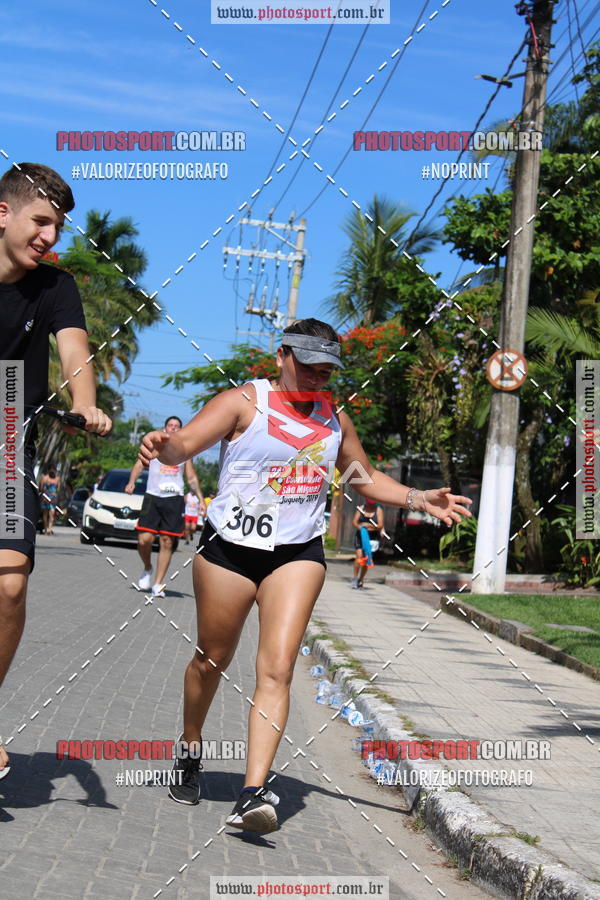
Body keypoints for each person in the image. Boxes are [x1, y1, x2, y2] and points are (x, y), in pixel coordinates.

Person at [135, 317, 473, 832]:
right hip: (229, 549)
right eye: (310, 367)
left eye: (328, 370)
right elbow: (186, 447)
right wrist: (164, 445)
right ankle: (190, 745)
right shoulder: (242, 402)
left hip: (296, 553)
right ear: (282, 357)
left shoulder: (333, 417)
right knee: (211, 659)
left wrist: (417, 497)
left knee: (277, 669)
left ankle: (252, 792)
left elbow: (361, 477)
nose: (320, 378)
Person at [0, 162, 113, 773]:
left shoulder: (55, 287)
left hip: (7, 430)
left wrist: (85, 401)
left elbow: (73, 348)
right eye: (41, 221)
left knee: (10, 584)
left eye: (57, 226)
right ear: (4, 214)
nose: (49, 236)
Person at [125, 416, 205, 598]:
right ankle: (147, 567)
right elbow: (139, 464)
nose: (173, 428)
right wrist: (132, 482)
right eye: (171, 425)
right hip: (153, 496)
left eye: (177, 426)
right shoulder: (154, 446)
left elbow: (191, 478)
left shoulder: (185, 451)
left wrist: (200, 499)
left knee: (167, 541)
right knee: (144, 539)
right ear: (165, 427)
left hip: (174, 498)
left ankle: (158, 583)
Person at [351, 498, 384, 589]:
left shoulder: (378, 510)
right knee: (359, 556)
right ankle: (355, 577)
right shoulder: (361, 508)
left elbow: (380, 525)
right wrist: (361, 528)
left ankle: (361, 579)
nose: (370, 505)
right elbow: (354, 522)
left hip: (372, 537)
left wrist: (368, 525)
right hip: (361, 535)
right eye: (369, 504)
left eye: (372, 504)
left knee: (367, 558)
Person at [40, 465, 61, 534]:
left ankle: (49, 528)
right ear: (48, 470)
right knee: (45, 513)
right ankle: (46, 528)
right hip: (46, 496)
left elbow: (58, 489)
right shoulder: (44, 478)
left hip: (53, 497)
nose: (52, 472)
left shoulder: (57, 479)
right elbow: (41, 488)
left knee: (52, 512)